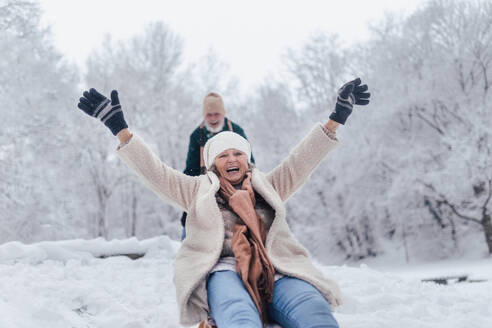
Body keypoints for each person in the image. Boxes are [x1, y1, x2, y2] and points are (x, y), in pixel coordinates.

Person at [77, 78, 371, 328]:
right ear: (212, 165)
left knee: (314, 312)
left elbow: (303, 160)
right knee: (239, 318)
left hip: (276, 268)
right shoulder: (196, 190)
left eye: (238, 153)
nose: (231, 159)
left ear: (247, 159)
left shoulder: (267, 185)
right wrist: (120, 128)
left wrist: (336, 119)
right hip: (223, 270)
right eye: (223, 155)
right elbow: (156, 173)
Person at [180, 92, 254, 238]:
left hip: (234, 185)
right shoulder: (197, 135)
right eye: (209, 115)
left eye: (216, 114)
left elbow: (249, 161)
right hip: (207, 184)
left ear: (223, 113)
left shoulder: (236, 131)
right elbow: (191, 168)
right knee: (192, 221)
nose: (213, 118)